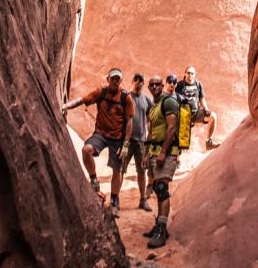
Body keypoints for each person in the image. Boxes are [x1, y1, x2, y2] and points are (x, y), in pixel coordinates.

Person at [61, 68, 134, 216]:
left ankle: (114, 202)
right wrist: (65, 106)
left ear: (121, 81)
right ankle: (94, 180)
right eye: (113, 78)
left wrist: (126, 144)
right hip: (100, 134)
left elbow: (130, 121)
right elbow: (82, 100)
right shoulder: (101, 92)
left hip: (117, 138)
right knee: (86, 149)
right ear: (108, 79)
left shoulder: (126, 97)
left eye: (118, 79)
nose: (115, 81)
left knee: (116, 169)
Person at [142, 74, 181, 248]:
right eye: (152, 84)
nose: (156, 87)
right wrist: (146, 155)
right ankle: (160, 223)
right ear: (149, 88)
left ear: (162, 85)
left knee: (161, 188)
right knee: (158, 189)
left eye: (158, 84)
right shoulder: (153, 107)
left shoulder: (169, 102)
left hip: (167, 152)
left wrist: (164, 152)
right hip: (154, 151)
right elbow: (151, 133)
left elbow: (172, 128)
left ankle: (161, 230)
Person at [126, 72, 154, 211]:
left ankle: (143, 200)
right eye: (136, 79)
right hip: (128, 140)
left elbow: (153, 113)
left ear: (143, 83)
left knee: (141, 171)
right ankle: (115, 200)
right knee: (120, 169)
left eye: (141, 80)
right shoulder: (127, 97)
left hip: (142, 141)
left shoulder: (146, 99)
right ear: (132, 81)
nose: (138, 82)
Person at [175, 66, 218, 148]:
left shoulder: (198, 84)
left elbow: (201, 98)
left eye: (192, 73)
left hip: (196, 113)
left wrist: (206, 108)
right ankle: (176, 157)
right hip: (184, 116)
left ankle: (209, 142)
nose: (190, 75)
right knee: (182, 142)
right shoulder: (180, 85)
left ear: (195, 75)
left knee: (213, 117)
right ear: (185, 74)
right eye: (188, 73)